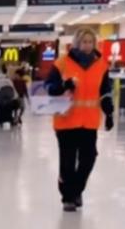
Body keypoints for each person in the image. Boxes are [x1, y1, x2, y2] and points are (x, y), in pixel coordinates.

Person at [45, 26, 114, 212]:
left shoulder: (101, 65)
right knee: (67, 161)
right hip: (66, 120)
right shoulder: (62, 63)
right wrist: (63, 86)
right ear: (77, 43)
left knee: (89, 158)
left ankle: (76, 190)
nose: (87, 45)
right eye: (84, 42)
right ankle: (68, 197)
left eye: (90, 42)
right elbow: (48, 86)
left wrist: (109, 111)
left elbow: (105, 90)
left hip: (89, 121)